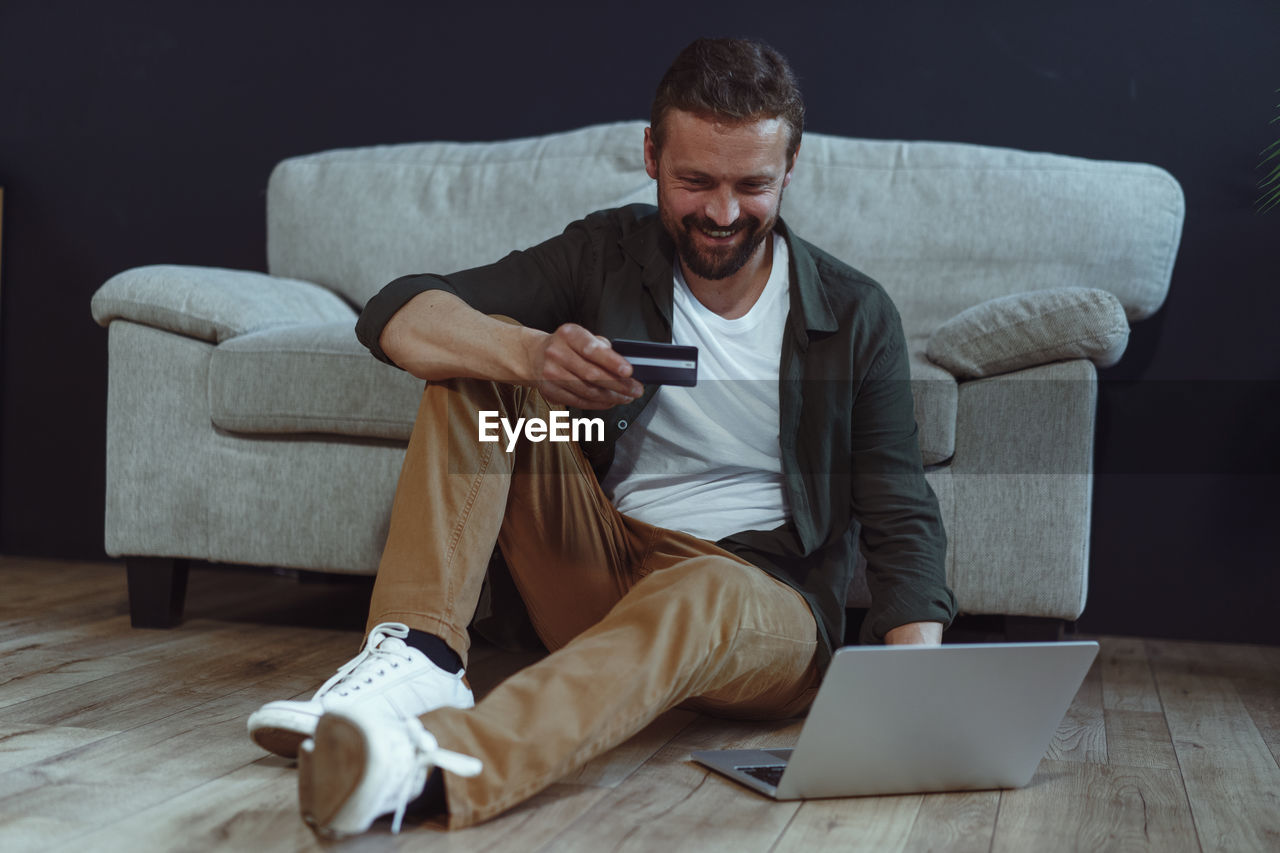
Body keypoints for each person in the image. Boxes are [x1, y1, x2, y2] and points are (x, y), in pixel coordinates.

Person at [247, 36, 956, 837]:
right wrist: (531, 353)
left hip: (757, 598)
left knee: (702, 592)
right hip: (599, 561)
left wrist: (911, 689)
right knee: (479, 359)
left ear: (791, 167)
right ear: (650, 155)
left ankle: (428, 766)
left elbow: (899, 509)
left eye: (752, 185)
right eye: (695, 181)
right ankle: (419, 663)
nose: (723, 214)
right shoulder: (606, 252)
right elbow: (402, 312)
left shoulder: (855, 315)